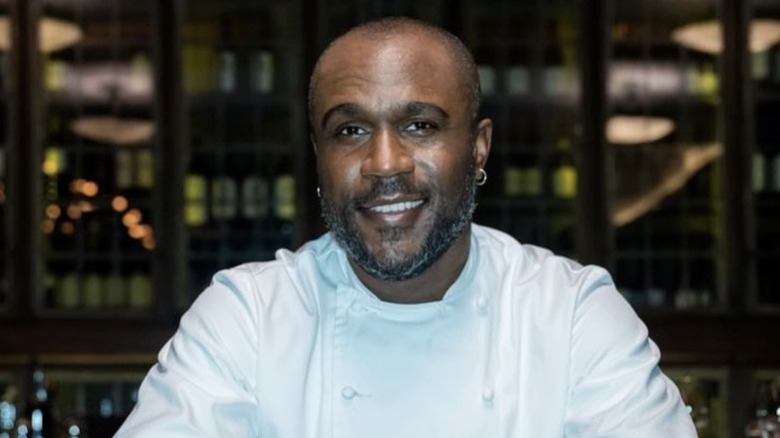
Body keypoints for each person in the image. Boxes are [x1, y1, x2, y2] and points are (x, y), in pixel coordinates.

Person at [115, 16, 697, 437]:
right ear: (317, 156)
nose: (385, 163)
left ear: (478, 148)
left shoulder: (570, 313)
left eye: (420, 125)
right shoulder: (247, 315)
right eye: (351, 131)